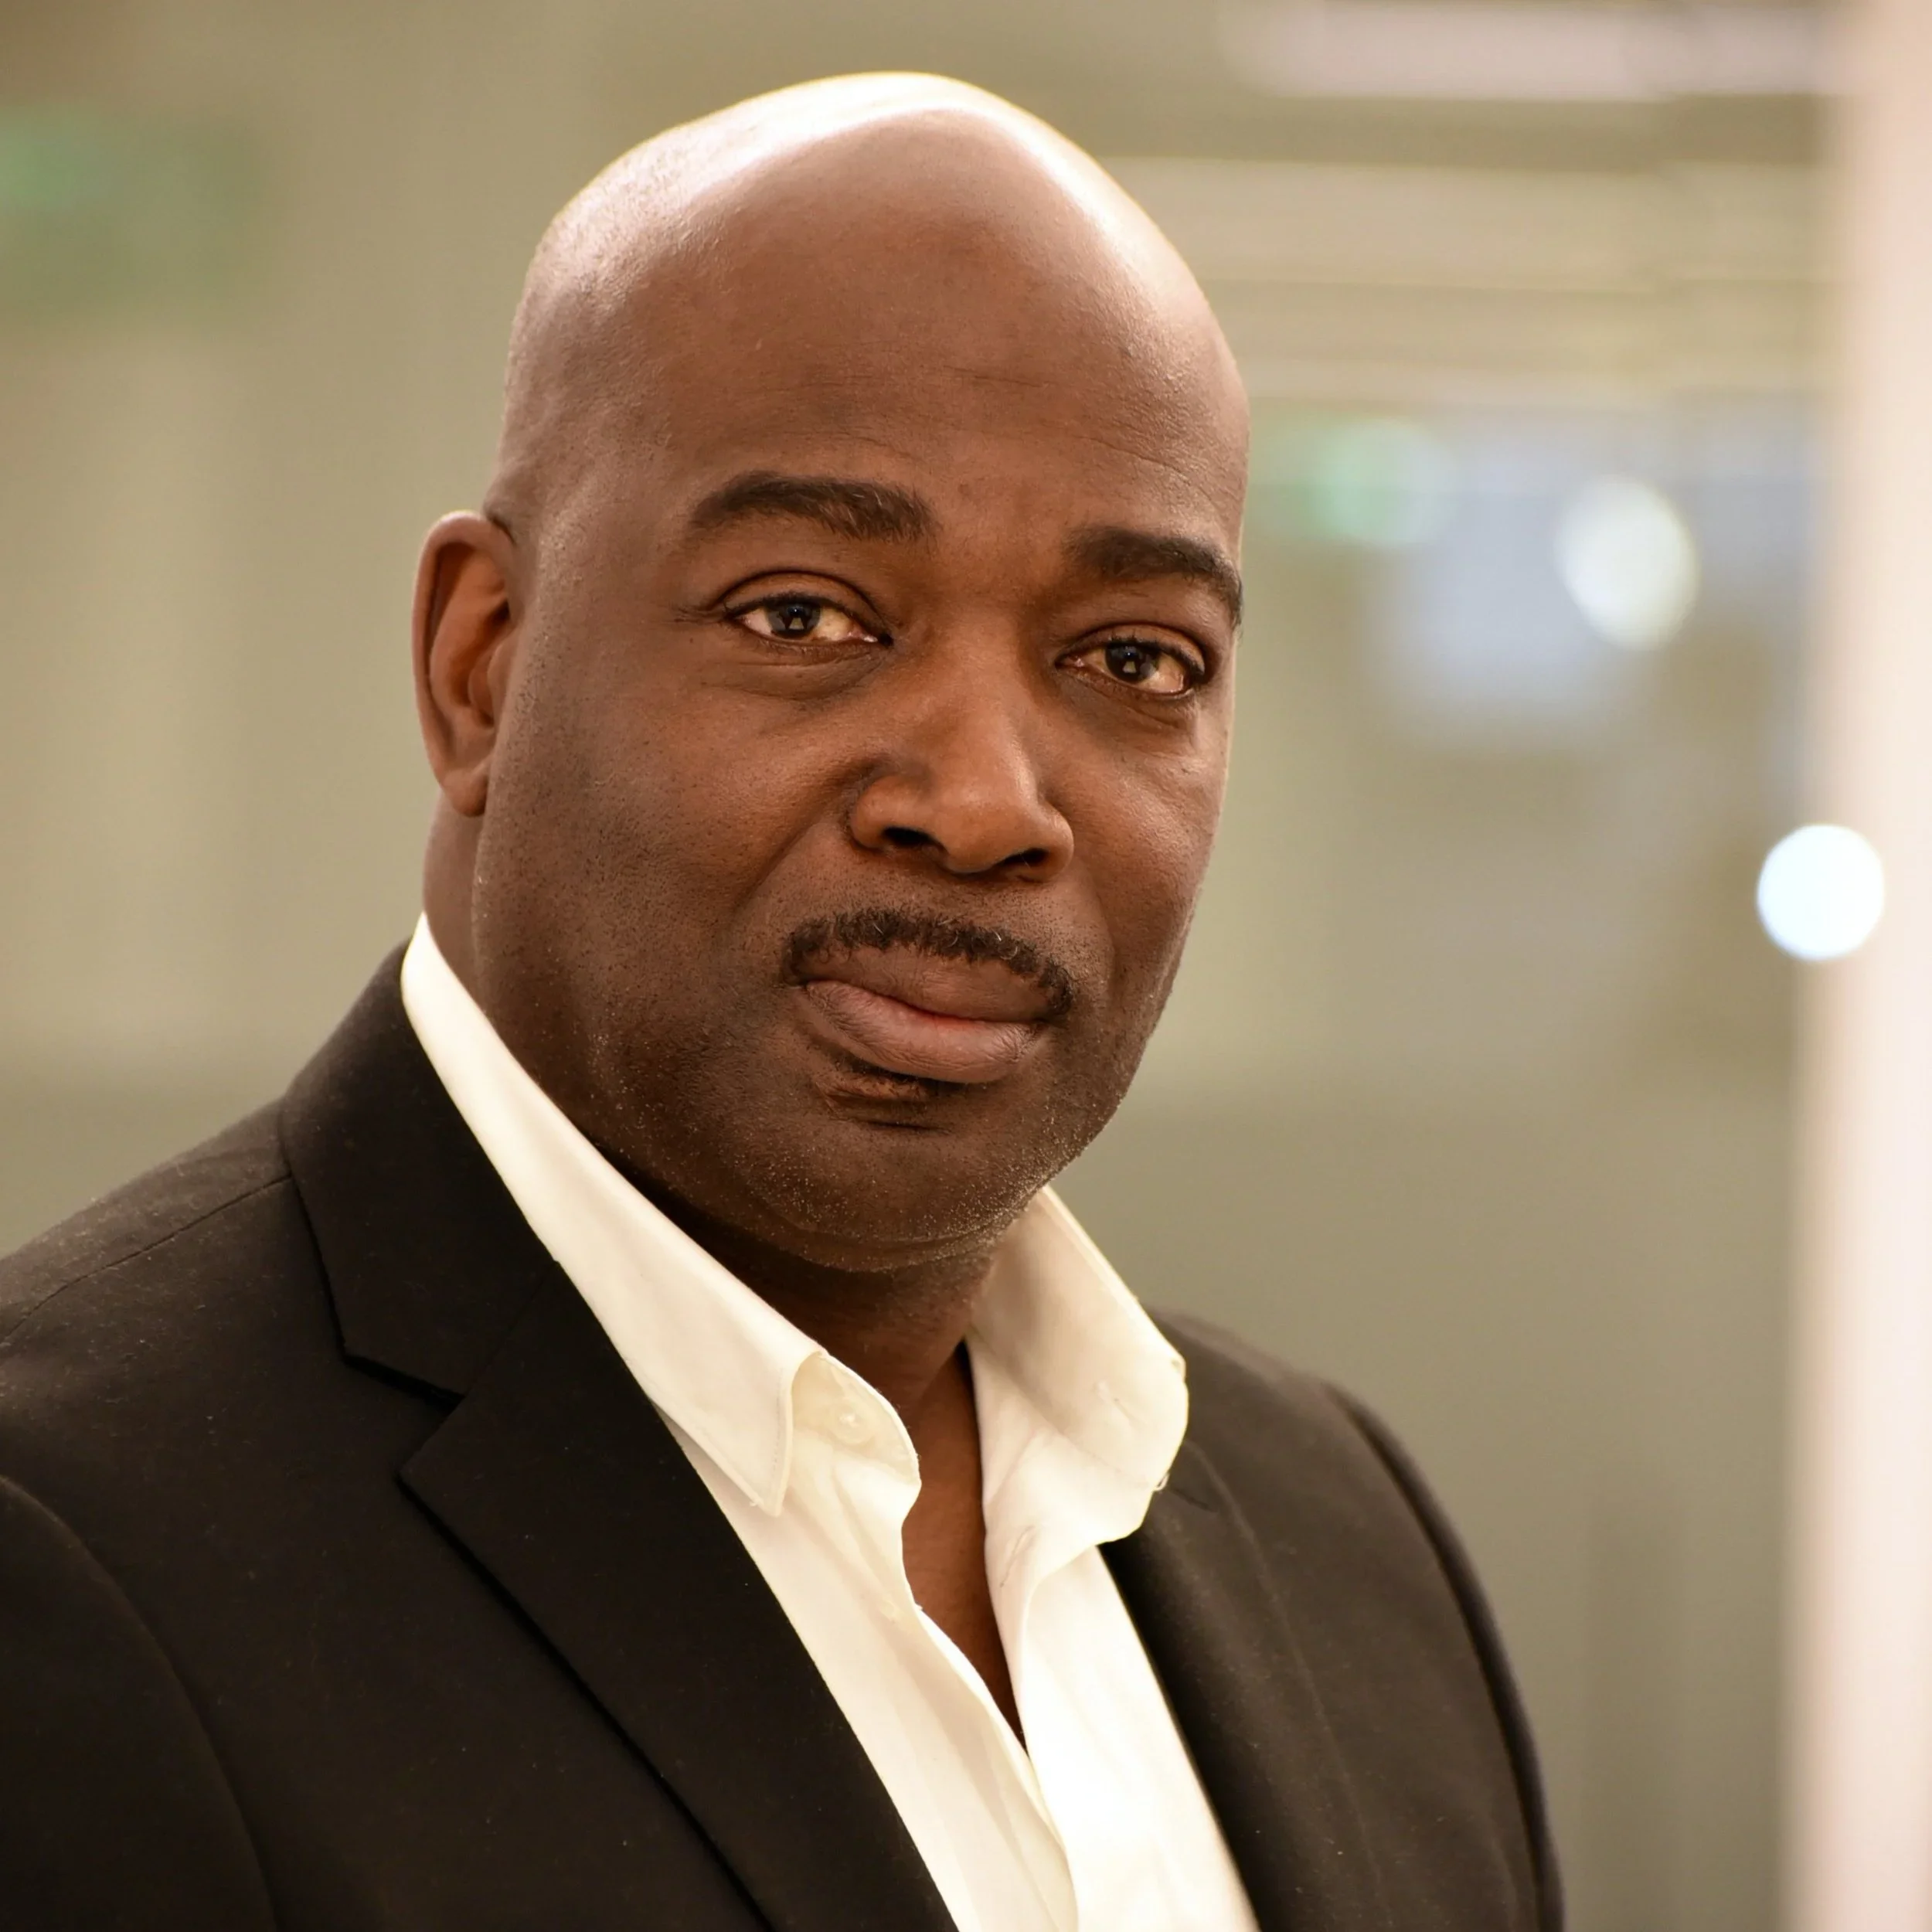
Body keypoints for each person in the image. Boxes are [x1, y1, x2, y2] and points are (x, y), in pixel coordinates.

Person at [0, 74, 1560, 1931]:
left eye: (1131, 658)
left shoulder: (1343, 1541)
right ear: (480, 669)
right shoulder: (71, 1553)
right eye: (805, 615)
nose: (982, 799)